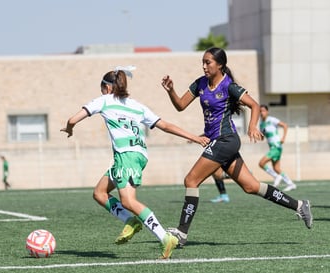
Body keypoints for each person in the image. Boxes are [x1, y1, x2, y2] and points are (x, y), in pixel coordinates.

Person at [160, 47, 313, 248]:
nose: (204, 66)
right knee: (252, 187)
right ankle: (300, 206)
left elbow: (255, 105)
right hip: (218, 141)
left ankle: (181, 233)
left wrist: (252, 126)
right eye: (203, 62)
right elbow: (180, 105)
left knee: (191, 179)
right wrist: (171, 90)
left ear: (220, 65)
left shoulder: (229, 86)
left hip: (226, 140)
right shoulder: (200, 83)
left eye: (208, 62)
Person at [60, 68, 209, 259]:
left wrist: (70, 129)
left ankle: (165, 237)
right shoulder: (136, 105)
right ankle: (130, 221)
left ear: (106, 87)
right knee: (99, 193)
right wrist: (194, 137)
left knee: (128, 201)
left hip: (126, 156)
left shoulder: (104, 100)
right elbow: (165, 126)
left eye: (102, 88)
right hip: (138, 154)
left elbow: (73, 119)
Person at [259, 104, 296, 191]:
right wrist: (259, 136)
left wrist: (283, 138)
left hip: (276, 146)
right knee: (276, 168)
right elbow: (262, 137)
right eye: (260, 111)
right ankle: (291, 184)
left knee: (261, 163)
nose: (261, 113)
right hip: (272, 147)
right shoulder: (261, 124)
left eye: (263, 111)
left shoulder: (271, 120)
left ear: (267, 112)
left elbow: (285, 125)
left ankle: (276, 177)